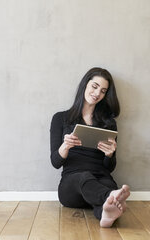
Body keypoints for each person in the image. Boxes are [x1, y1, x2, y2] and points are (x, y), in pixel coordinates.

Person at [50, 67, 130, 227]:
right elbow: (55, 162)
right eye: (94, 86)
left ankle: (106, 213)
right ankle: (110, 197)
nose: (97, 93)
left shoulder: (109, 123)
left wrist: (109, 155)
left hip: (100, 179)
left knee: (107, 186)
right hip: (72, 183)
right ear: (85, 85)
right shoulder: (61, 118)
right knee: (85, 177)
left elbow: (110, 167)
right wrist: (65, 147)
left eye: (103, 91)